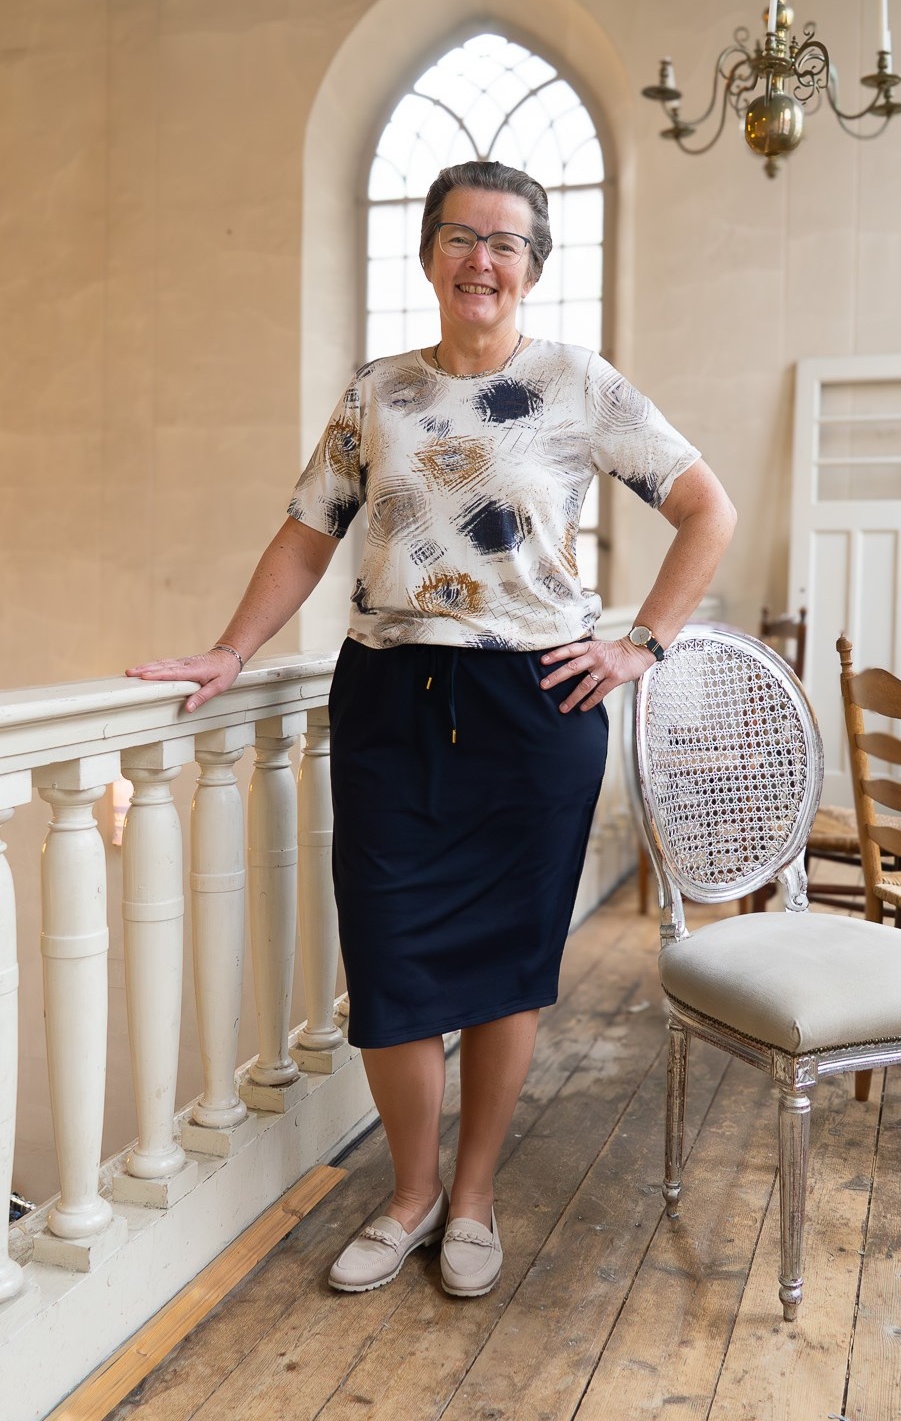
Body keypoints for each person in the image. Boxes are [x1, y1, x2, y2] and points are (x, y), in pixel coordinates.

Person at [128, 160, 736, 1300]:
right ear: (428, 255)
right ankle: (409, 1194)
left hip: (536, 709)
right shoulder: (377, 391)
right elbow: (309, 532)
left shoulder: (577, 382)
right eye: (461, 236)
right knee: (389, 956)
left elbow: (710, 509)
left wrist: (641, 644)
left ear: (533, 267)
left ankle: (474, 1196)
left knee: (510, 968)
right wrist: (231, 650)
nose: (482, 260)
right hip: (388, 698)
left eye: (506, 242)